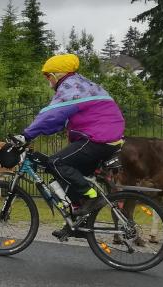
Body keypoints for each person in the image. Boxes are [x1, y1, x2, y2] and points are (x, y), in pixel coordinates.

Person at [9, 53, 125, 240]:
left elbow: (51, 115)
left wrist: (26, 135)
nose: (48, 81)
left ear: (57, 74)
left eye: (48, 76)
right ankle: (79, 222)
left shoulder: (72, 87)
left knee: (56, 162)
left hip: (99, 138)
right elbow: (57, 122)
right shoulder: (81, 85)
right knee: (65, 174)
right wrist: (34, 133)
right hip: (103, 137)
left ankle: (92, 196)